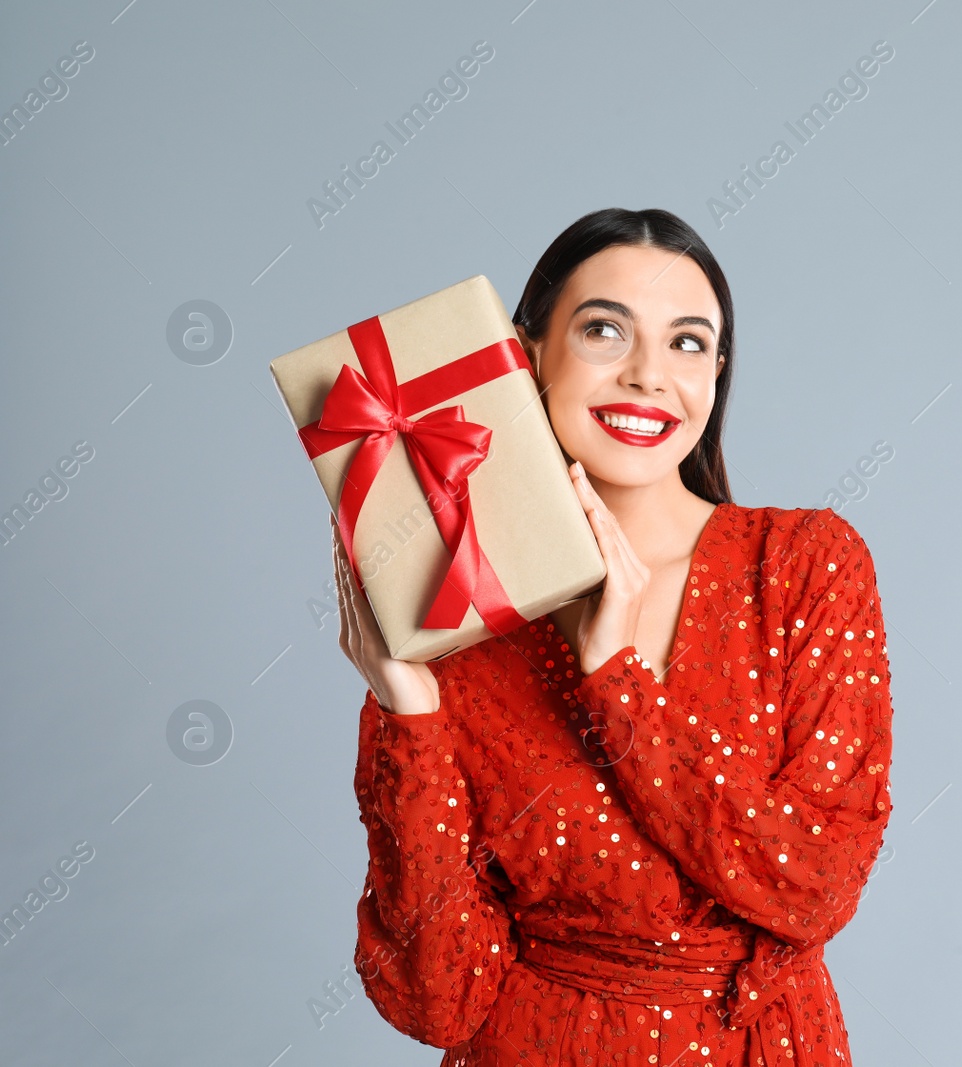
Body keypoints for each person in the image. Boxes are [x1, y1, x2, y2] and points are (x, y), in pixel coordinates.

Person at [332, 207, 895, 1066]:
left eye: (688, 343)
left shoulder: (804, 566)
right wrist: (407, 706)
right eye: (604, 330)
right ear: (524, 356)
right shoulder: (451, 624)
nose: (648, 376)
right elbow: (435, 996)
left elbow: (815, 882)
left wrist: (614, 679)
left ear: (717, 372)